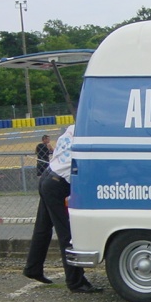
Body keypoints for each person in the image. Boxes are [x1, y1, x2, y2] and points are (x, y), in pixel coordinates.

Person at [23, 125, 100, 293]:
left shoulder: (71, 130)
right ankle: (75, 281)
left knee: (43, 228)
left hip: (49, 176)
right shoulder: (87, 134)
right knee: (67, 234)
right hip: (57, 184)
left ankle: (33, 268)